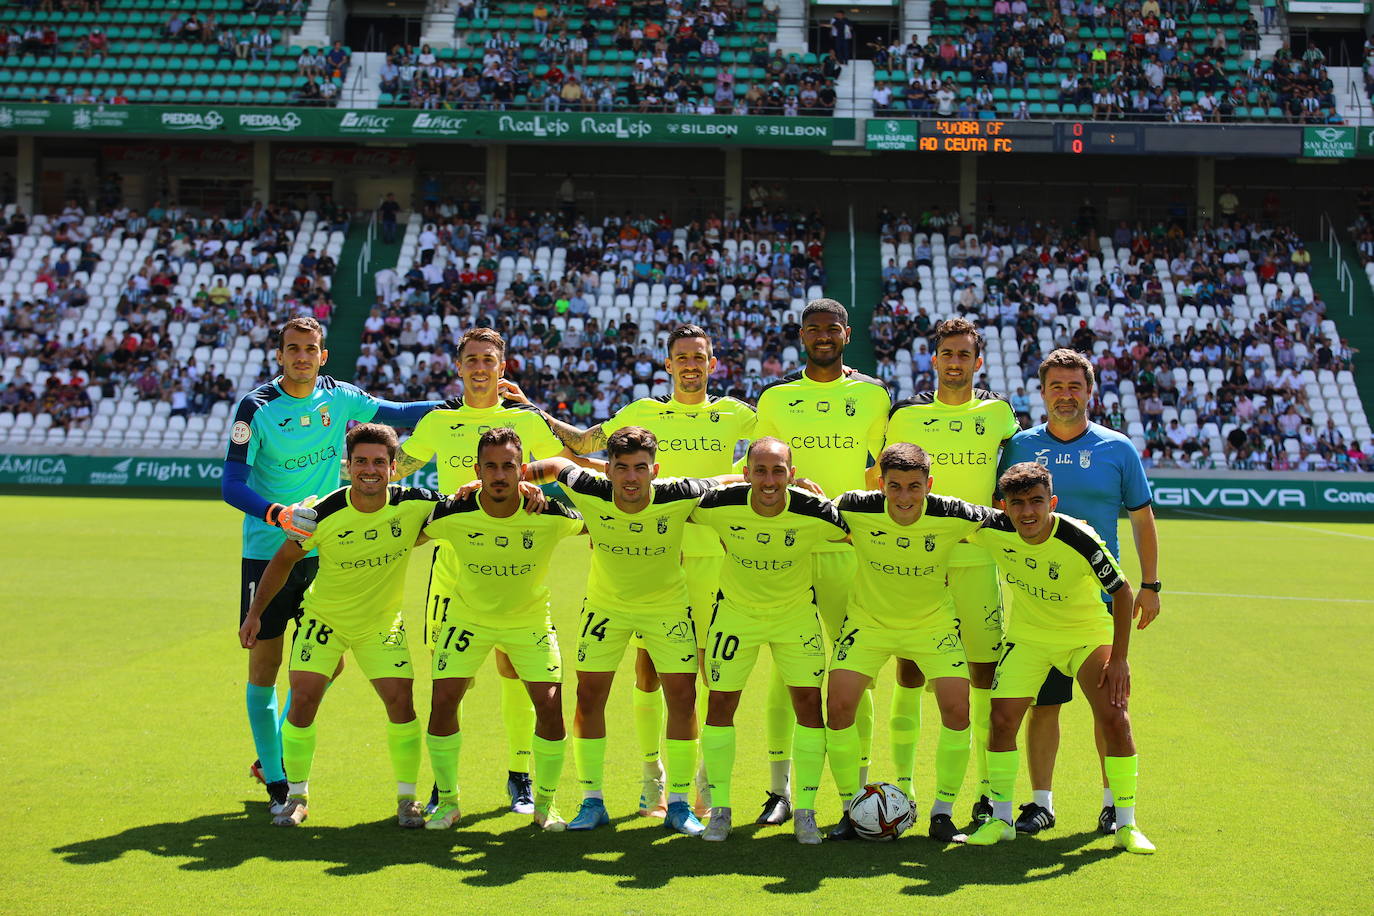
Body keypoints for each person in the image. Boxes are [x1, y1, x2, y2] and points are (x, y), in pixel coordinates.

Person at [513, 324, 756, 819]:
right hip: (643, 555)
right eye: (681, 356)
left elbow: (763, 460)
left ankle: (703, 779)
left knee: (708, 675)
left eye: (700, 357)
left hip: (711, 555)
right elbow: (583, 442)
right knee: (647, 674)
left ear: (714, 364)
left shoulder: (738, 414)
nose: (691, 364)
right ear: (667, 364)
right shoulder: (640, 413)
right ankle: (653, 779)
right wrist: (532, 410)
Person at [222, 317, 447, 814]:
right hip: (269, 548)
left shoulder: (339, 396)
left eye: (311, 349)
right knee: (265, 667)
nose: (301, 356)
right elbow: (230, 485)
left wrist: (468, 403)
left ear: (323, 355)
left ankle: (274, 754)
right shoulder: (255, 408)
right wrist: (277, 513)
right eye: (292, 349)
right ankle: (278, 779)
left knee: (328, 663)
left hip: (329, 547)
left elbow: (401, 411)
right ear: (279, 354)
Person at [390, 327, 584, 817]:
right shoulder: (439, 421)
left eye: (488, 360)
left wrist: (535, 488)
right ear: (458, 367)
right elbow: (392, 469)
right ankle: (443, 786)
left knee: (515, 670)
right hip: (453, 567)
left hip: (514, 564)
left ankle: (519, 776)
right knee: (450, 680)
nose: (480, 367)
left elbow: (566, 461)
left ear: (503, 367)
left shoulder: (522, 419)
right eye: (471, 359)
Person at [522, 429, 732, 836]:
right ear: (609, 470)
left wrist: (788, 482)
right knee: (588, 697)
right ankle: (592, 801)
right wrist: (515, 478)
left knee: (683, 700)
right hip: (606, 609)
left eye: (640, 468)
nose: (631, 478)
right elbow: (555, 465)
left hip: (667, 610)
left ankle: (678, 804)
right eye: (621, 468)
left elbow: (725, 481)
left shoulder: (677, 493)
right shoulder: (589, 487)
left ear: (655, 470)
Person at [238, 423, 442, 828]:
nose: (370, 469)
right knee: (304, 701)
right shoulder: (322, 512)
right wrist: (255, 613)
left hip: (380, 625)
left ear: (393, 466)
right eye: (361, 461)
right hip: (324, 620)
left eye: (379, 462)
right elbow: (282, 561)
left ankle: (407, 799)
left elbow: (466, 505)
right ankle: (296, 796)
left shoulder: (416, 502)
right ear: (348, 467)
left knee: (402, 705)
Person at [999, 348, 1160, 836]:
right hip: (1037, 602)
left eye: (1075, 387)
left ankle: (1114, 804)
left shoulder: (1117, 448)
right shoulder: (1020, 446)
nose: (1065, 395)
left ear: (1090, 392)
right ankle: (1040, 803)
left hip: (1100, 600)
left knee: (1108, 704)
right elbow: (999, 514)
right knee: (1042, 705)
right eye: (1056, 387)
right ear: (1042, 392)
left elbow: (1141, 517)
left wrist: (1150, 584)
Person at [964, 462, 1155, 855]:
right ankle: (1001, 820)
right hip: (1029, 637)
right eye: (1017, 504)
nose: (1027, 513)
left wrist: (1119, 659)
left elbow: (1122, 593)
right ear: (1004, 506)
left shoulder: (1078, 536)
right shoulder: (992, 528)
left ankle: (1126, 822)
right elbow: (940, 510)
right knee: (1000, 721)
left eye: (1037, 502)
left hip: (1084, 635)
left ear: (1051, 502)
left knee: (1115, 717)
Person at [753, 298, 889, 825]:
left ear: (847, 334)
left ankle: (857, 795)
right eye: (814, 329)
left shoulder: (874, 395)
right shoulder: (778, 397)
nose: (823, 336)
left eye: (832, 329)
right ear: (802, 334)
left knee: (855, 669)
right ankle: (778, 791)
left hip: (847, 552)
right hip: (789, 548)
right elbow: (755, 467)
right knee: (785, 672)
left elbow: (883, 470)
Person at [883, 317, 1021, 826]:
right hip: (917, 563)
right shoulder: (905, 417)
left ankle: (986, 792)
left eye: (965, 354)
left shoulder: (1000, 413)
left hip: (978, 561)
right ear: (934, 359)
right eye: (947, 353)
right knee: (910, 670)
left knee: (982, 672)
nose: (956, 361)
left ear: (977, 362)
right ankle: (902, 790)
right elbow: (882, 482)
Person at [827, 443, 994, 844]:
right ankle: (852, 809)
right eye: (895, 486)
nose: (904, 497)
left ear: (929, 485)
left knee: (957, 709)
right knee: (838, 706)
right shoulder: (854, 505)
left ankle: (942, 813)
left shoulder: (952, 512)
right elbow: (811, 515)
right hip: (868, 623)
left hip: (932, 625)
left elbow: (1010, 525)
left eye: (914, 487)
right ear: (880, 484)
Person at [419, 428, 585, 831]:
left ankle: (546, 805)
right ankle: (448, 801)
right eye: (489, 466)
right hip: (467, 620)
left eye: (507, 466)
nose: (498, 475)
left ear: (521, 470)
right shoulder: (454, 511)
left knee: (549, 705)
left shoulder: (548, 513)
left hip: (528, 622)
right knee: (443, 701)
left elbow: (601, 521)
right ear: (476, 470)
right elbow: (405, 535)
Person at [691, 437, 850, 845]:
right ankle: (720, 810)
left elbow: (863, 528)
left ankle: (807, 813)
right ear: (745, 475)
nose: (768, 479)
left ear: (792, 476)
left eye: (778, 470)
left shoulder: (816, 511)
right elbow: (670, 500)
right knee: (721, 704)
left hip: (795, 618)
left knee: (809, 708)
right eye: (759, 470)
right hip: (736, 617)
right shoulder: (719, 504)